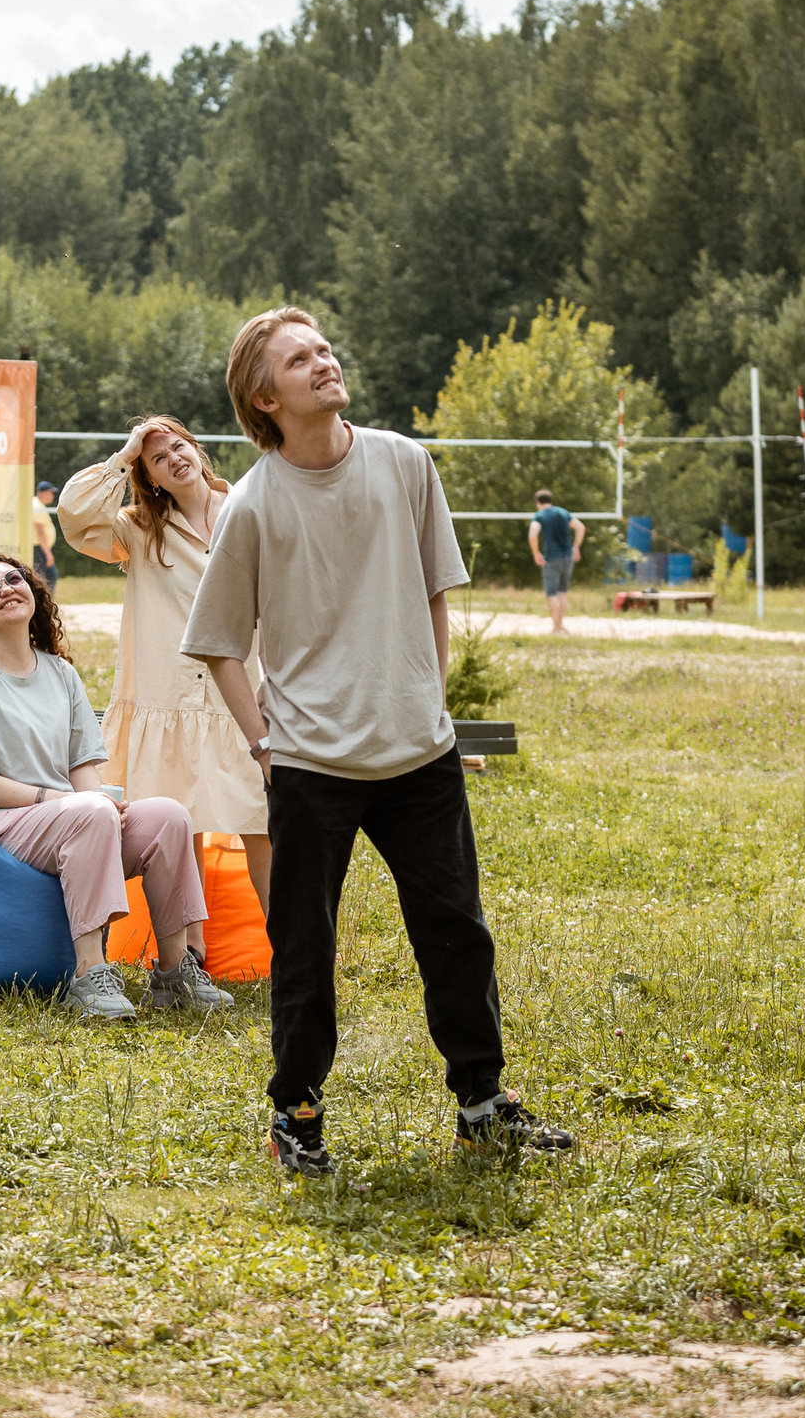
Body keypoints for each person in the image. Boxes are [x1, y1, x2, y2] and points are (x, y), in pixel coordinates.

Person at [181, 306, 573, 1177]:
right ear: (263, 395)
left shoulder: (404, 462)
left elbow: (437, 588)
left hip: (418, 757)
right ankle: (296, 1111)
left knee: (456, 932)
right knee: (306, 946)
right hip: (312, 766)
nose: (324, 362)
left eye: (324, 348)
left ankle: (482, 1102)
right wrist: (263, 745)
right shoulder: (251, 505)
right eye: (299, 358)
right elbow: (216, 641)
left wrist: (427, 702)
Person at [0, 553, 228, 1021]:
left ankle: (175, 972)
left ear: (33, 592)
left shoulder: (61, 674)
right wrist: (72, 803)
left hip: (67, 817)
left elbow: (83, 762)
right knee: (91, 811)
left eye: (15, 578)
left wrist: (101, 802)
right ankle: (89, 975)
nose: (6, 587)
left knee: (169, 815)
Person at [57, 416, 272, 913]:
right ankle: (189, 958)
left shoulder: (248, 508)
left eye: (178, 447)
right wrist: (126, 452)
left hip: (241, 696)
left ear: (196, 450)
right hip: (166, 696)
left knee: (260, 824)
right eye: (157, 458)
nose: (173, 459)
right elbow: (74, 515)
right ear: (148, 475)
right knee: (180, 827)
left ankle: (290, 951)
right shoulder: (138, 530)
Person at [528, 488, 585, 633]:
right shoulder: (563, 512)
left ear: (538, 502)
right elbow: (580, 527)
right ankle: (559, 625)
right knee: (562, 592)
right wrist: (576, 546)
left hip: (551, 559)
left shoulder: (540, 515)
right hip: (567, 557)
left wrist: (536, 553)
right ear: (551, 500)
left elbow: (532, 534)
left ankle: (556, 627)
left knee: (552, 594)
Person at [30, 481, 61, 591]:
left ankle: (45, 602)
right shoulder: (37, 506)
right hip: (39, 549)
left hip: (40, 548)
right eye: (51, 492)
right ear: (44, 492)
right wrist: (48, 554)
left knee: (47, 577)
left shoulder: (39, 505)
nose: (52, 495)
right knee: (46, 578)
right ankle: (44, 603)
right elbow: (40, 532)